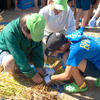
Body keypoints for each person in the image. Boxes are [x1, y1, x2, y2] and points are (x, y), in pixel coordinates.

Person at [44, 28, 100, 93]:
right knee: (68, 56)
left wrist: (49, 77)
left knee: (68, 58)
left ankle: (80, 85)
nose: (55, 54)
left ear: (62, 47)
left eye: (55, 51)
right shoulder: (69, 38)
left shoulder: (75, 51)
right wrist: (53, 69)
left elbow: (66, 76)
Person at [0, 13, 45, 84]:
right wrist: (32, 75)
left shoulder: (37, 26)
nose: (33, 38)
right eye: (32, 36)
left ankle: (22, 68)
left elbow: (38, 48)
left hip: (24, 49)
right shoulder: (10, 32)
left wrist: (39, 68)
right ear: (24, 29)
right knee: (9, 62)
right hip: (8, 50)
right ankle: (16, 72)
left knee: (43, 58)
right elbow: (17, 55)